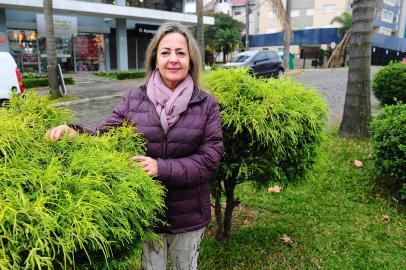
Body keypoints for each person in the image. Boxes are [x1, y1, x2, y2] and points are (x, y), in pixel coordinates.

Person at [47, 22, 224, 270]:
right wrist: (74, 132)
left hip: (189, 213)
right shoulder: (133, 99)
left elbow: (209, 159)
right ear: (155, 58)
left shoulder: (206, 104)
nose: (173, 59)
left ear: (191, 60)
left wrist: (161, 168)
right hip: (148, 213)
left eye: (180, 53)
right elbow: (105, 136)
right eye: (166, 52)